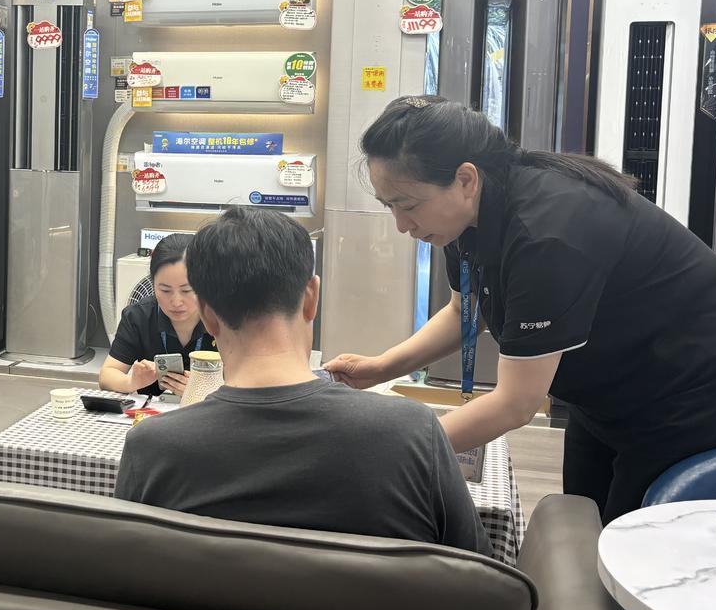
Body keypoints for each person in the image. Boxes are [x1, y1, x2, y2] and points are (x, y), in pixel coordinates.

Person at [326, 96, 716, 524]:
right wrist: (382, 367)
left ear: (465, 179)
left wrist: (397, 452)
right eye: (390, 207)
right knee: (582, 516)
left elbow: (516, 403)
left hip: (695, 385)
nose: (402, 225)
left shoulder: (546, 232)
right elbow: (465, 313)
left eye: (407, 205)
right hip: (611, 386)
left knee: (633, 535)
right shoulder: (465, 220)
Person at [115, 207, 488, 554]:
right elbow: (480, 575)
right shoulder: (413, 432)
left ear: (209, 318)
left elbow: (126, 577)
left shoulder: (151, 449)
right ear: (312, 298)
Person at [100, 234, 209, 398]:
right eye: (165, 290)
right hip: (150, 411)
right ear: (153, 283)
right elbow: (107, 376)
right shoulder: (138, 317)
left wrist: (203, 392)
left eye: (186, 290)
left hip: (209, 410)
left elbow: (246, 383)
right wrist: (131, 382)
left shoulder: (223, 318)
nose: (176, 302)